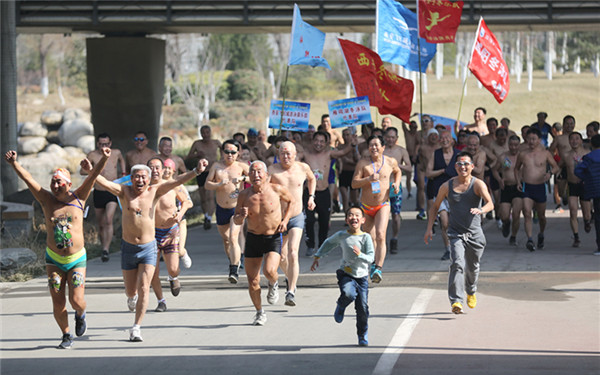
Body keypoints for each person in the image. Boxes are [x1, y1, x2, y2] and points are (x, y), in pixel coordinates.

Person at [86, 156, 208, 341]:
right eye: (137, 176)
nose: (140, 180)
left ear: (149, 178)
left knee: (144, 286)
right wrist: (91, 171)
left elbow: (177, 181)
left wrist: (196, 171)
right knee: (131, 290)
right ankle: (131, 297)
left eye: (144, 177)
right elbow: (103, 182)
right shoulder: (123, 191)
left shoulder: (155, 191)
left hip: (149, 247)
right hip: (128, 248)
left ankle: (136, 327)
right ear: (131, 178)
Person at [5, 147, 110, 349]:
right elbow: (28, 179)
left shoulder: (79, 196)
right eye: (53, 181)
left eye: (59, 182)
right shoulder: (46, 200)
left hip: (76, 258)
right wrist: (14, 164)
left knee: (76, 300)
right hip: (53, 259)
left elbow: (95, 175)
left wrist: (104, 158)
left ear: (69, 184)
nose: (55, 185)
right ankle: (66, 334)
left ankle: (80, 314)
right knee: (57, 300)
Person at [424, 151, 494, 314]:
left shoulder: (478, 184)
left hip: (475, 234)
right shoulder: (447, 186)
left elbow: (490, 203)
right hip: (455, 233)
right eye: (460, 164)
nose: (463, 167)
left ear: (472, 166)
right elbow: (435, 207)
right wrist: (429, 228)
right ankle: (456, 301)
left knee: (473, 266)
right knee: (457, 263)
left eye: (466, 164)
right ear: (455, 167)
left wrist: (481, 210)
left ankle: (471, 290)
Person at [233, 161, 294, 325]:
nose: (256, 175)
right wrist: (241, 216)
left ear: (266, 174)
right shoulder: (244, 195)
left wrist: (285, 220)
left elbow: (291, 201)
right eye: (252, 172)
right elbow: (237, 220)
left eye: (259, 172)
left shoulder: (276, 189)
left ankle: (274, 283)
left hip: (272, 237)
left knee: (269, 271)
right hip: (253, 238)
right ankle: (260, 312)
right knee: (252, 280)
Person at [310, 205, 375, 346]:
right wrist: (317, 256)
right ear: (346, 219)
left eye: (357, 215)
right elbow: (328, 243)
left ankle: (362, 334)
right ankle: (341, 305)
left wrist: (360, 255)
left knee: (362, 309)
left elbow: (371, 258)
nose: (354, 218)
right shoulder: (341, 235)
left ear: (363, 220)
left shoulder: (366, 238)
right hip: (346, 273)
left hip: (362, 278)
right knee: (348, 294)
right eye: (350, 215)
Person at [268, 141, 316, 306]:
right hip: (278, 219)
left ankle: (291, 291)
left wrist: (311, 197)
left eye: (289, 153)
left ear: (295, 154)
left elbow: (312, 179)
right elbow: (263, 189)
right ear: (278, 155)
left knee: (293, 252)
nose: (286, 156)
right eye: (282, 153)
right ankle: (290, 278)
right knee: (282, 256)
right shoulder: (272, 170)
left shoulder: (302, 168)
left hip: (296, 216)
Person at [352, 135, 401, 283]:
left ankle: (378, 268)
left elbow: (398, 171)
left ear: (383, 147)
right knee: (370, 238)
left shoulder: (390, 161)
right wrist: (367, 179)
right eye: (371, 145)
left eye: (377, 145)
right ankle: (373, 264)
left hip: (383, 205)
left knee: (380, 235)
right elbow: (354, 183)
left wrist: (397, 184)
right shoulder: (363, 163)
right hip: (366, 207)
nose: (374, 148)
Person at [147, 157, 194, 312]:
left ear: (162, 170)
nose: (154, 171)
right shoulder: (144, 187)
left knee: (173, 268)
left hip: (170, 231)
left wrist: (180, 214)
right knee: (153, 270)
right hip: (151, 233)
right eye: (151, 167)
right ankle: (161, 301)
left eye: (157, 167)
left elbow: (187, 202)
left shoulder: (172, 185)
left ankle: (173, 277)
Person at [302, 131, 356, 256]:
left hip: (324, 192)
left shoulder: (329, 153)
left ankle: (322, 246)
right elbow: (293, 156)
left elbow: (342, 152)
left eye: (322, 141)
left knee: (324, 221)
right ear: (312, 141)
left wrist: (352, 145)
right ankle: (310, 245)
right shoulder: (306, 154)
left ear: (326, 143)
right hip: (309, 192)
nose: (318, 144)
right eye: (316, 141)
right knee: (309, 221)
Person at [204, 140, 249, 283]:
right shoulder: (217, 166)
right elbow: (207, 184)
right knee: (226, 240)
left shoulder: (241, 166)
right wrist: (218, 184)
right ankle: (233, 260)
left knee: (233, 237)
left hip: (236, 208)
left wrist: (242, 178)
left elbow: (256, 179)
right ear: (222, 152)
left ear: (238, 153)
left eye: (233, 152)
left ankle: (233, 270)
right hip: (221, 208)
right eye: (227, 152)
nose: (230, 155)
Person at [81, 133, 125, 262]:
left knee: (108, 219)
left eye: (106, 144)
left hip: (112, 190)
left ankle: (106, 249)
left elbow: (122, 160)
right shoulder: (92, 155)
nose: (103, 146)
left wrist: (123, 173)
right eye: (101, 144)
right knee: (100, 224)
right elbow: (82, 171)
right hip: (98, 191)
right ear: (97, 144)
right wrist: (94, 170)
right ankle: (103, 246)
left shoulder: (116, 153)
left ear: (110, 144)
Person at [514, 128, 560, 251]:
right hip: (527, 187)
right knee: (527, 213)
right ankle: (529, 239)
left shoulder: (545, 153)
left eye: (534, 139)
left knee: (541, 216)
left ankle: (541, 233)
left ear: (539, 140)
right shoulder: (523, 154)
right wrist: (518, 182)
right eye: (529, 139)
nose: (531, 141)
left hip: (540, 187)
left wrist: (549, 174)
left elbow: (556, 167)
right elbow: (516, 169)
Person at [425, 131, 459, 260]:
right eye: (442, 138)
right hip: (440, 193)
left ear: (452, 140)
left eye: (447, 138)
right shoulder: (436, 154)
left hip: (456, 193)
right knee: (444, 222)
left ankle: (458, 248)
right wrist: (443, 171)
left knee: (456, 223)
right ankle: (448, 249)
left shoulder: (458, 155)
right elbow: (428, 173)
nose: (445, 140)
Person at [186, 125, 221, 230]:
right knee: (203, 197)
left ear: (210, 132)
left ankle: (209, 218)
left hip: (212, 171)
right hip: (202, 172)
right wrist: (197, 155)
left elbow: (225, 152)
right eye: (203, 133)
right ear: (201, 133)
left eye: (207, 132)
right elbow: (188, 157)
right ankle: (206, 215)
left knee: (210, 196)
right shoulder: (197, 144)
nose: (205, 135)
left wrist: (221, 164)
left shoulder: (216, 143)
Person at [383, 127, 412, 254]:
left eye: (393, 137)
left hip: (395, 187)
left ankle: (394, 238)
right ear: (385, 138)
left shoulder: (401, 150)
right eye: (388, 137)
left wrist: (396, 166)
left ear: (397, 138)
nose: (390, 139)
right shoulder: (380, 150)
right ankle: (381, 239)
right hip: (381, 188)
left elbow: (409, 168)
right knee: (381, 216)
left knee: (395, 215)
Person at [492, 135, 523, 245]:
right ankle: (506, 223)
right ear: (508, 145)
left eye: (516, 145)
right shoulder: (503, 157)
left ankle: (513, 236)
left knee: (516, 214)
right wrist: (500, 180)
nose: (513, 147)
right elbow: (494, 170)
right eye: (511, 145)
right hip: (506, 188)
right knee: (504, 215)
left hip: (518, 188)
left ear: (519, 145)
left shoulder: (522, 157)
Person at [564, 132, 592, 247]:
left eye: (577, 139)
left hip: (584, 185)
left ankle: (587, 221)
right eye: (572, 139)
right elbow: (559, 168)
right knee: (573, 210)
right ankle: (576, 237)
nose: (574, 141)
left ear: (581, 141)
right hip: (572, 185)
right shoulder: (566, 155)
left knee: (587, 214)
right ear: (569, 142)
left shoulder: (588, 153)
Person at [574, 134, 600, 255]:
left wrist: (588, 178)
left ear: (592, 145)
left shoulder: (589, 157)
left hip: (596, 190)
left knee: (598, 219)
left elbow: (578, 170)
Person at [416, 128, 440, 220]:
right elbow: (420, 160)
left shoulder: (440, 146)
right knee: (421, 188)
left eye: (435, 135)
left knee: (438, 193)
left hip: (436, 172)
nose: (433, 137)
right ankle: (422, 209)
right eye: (431, 135)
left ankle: (437, 212)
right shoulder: (423, 147)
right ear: (428, 137)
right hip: (424, 170)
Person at [338, 128, 361, 212]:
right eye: (344, 135)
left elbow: (358, 161)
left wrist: (349, 160)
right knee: (344, 197)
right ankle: (346, 216)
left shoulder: (355, 147)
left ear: (351, 136)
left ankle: (357, 214)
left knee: (355, 199)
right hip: (343, 173)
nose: (345, 137)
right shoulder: (340, 147)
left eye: (347, 135)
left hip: (353, 173)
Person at [402, 120, 420, 199]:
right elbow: (403, 123)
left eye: (415, 127)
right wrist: (410, 117)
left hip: (416, 156)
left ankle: (419, 189)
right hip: (408, 156)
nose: (414, 128)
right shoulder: (407, 133)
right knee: (408, 176)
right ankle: (409, 192)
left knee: (418, 176)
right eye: (412, 127)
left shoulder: (418, 134)